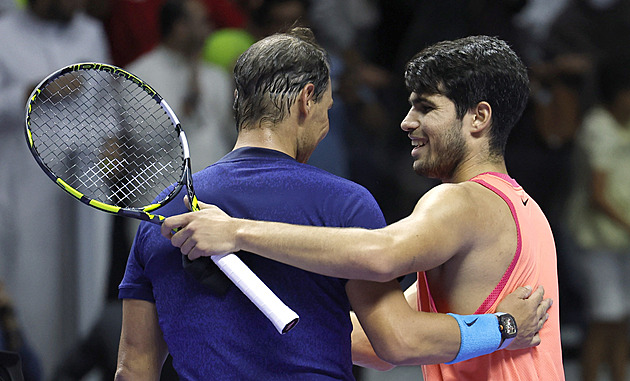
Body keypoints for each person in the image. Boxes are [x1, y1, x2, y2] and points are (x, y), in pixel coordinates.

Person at [117, 29, 549, 379]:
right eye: (327, 108)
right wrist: (504, 327)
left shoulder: (164, 215)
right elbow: (392, 342)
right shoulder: (348, 205)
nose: (406, 122)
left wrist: (236, 232)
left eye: (424, 108)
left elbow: (132, 370)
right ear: (307, 100)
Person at [0, 0, 111, 375]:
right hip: (24, 183)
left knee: (88, 287)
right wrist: (33, 90)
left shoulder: (90, 32)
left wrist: (111, 143)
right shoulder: (5, 34)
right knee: (31, 285)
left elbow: (107, 103)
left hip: (88, 183)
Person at [566, 55, 630, 381]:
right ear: (616, 94)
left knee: (621, 320)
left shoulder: (625, 126)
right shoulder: (598, 128)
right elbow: (598, 195)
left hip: (620, 241)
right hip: (595, 241)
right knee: (604, 319)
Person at [126, 0, 235, 173]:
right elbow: (146, 142)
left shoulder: (216, 76)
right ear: (180, 27)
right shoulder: (139, 76)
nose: (210, 29)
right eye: (203, 21)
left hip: (216, 188)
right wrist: (186, 107)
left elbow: (231, 136)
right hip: (164, 192)